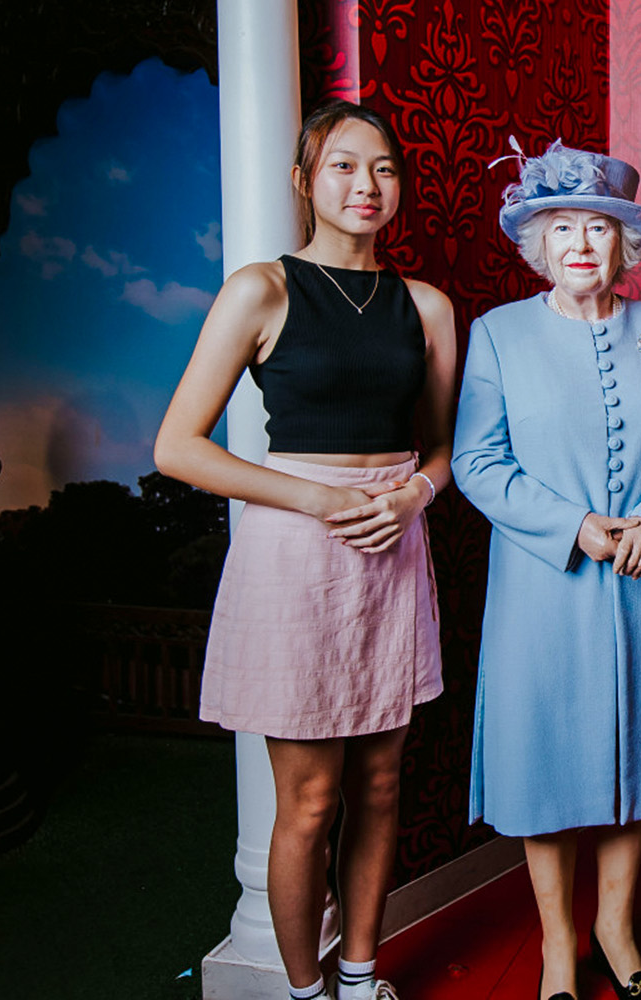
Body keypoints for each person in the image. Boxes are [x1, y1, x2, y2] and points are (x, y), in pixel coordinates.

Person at [154, 100, 457, 1000]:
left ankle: (359, 979)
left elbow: (442, 450)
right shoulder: (262, 288)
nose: (366, 186)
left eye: (385, 170)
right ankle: (303, 990)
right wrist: (323, 497)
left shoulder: (429, 306)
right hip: (295, 552)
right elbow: (179, 448)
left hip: (394, 545)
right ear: (304, 181)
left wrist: (411, 494)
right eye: (343, 167)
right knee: (311, 802)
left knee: (380, 788)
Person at [452, 141, 641, 1000]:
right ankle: (560, 947)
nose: (580, 245)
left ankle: (618, 928)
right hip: (545, 587)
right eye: (562, 228)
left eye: (598, 229)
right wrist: (577, 528)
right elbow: (478, 464)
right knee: (546, 764)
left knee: (638, 758)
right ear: (538, 244)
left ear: (626, 247)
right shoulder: (497, 334)